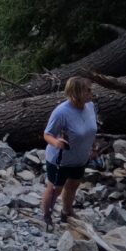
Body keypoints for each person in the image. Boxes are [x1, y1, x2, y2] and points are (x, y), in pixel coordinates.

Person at [40, 76, 98, 230]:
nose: (91, 93)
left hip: (80, 157)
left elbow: (91, 130)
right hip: (60, 159)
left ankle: (67, 211)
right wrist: (56, 143)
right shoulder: (61, 112)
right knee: (55, 188)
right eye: (88, 90)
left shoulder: (90, 106)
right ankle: (46, 216)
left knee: (73, 185)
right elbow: (47, 134)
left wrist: (94, 147)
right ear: (77, 92)